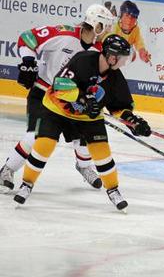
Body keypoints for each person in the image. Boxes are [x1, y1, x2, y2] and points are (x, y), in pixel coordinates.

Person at [14, 35, 151, 212]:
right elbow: (59, 85)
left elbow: (119, 108)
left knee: (102, 152)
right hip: (56, 109)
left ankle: (113, 190)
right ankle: (27, 184)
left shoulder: (116, 78)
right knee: (44, 145)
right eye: (122, 58)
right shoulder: (83, 60)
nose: (123, 63)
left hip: (88, 118)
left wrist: (132, 121)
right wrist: (83, 99)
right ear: (111, 56)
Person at [0, 4, 115, 193]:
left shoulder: (99, 51)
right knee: (35, 135)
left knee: (85, 134)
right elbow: (27, 38)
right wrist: (28, 61)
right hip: (44, 95)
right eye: (106, 26)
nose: (108, 31)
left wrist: (91, 101)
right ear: (96, 25)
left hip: (69, 98)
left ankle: (84, 166)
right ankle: (7, 169)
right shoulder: (64, 34)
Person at [111, 0, 151, 64]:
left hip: (123, 59)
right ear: (121, 15)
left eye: (133, 17)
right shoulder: (114, 27)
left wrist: (142, 53)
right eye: (127, 15)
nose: (129, 20)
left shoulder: (135, 30)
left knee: (132, 55)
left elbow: (139, 43)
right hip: (111, 56)